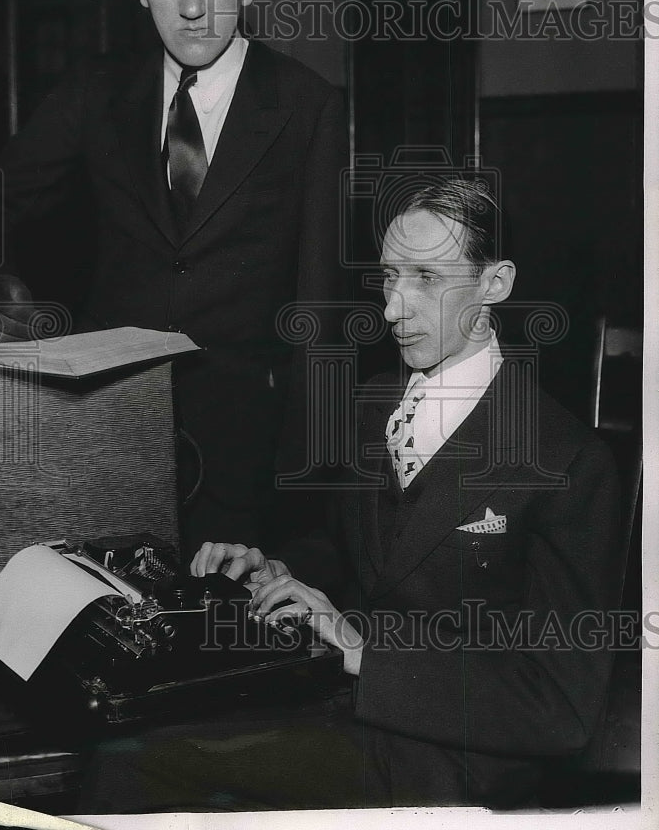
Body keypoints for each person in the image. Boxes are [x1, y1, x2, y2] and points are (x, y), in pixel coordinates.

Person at [191, 175, 624, 808]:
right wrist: (278, 569)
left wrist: (360, 652)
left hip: (456, 768)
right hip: (345, 711)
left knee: (142, 769)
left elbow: (559, 706)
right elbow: (361, 553)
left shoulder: (569, 463)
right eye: (390, 276)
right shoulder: (375, 403)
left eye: (426, 277)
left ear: (495, 285)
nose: (393, 308)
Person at [0, 0, 347, 553]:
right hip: (102, 425)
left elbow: (319, 306)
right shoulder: (94, 91)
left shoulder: (307, 104)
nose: (191, 6)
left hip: (243, 450)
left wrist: (305, 485)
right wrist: (4, 296)